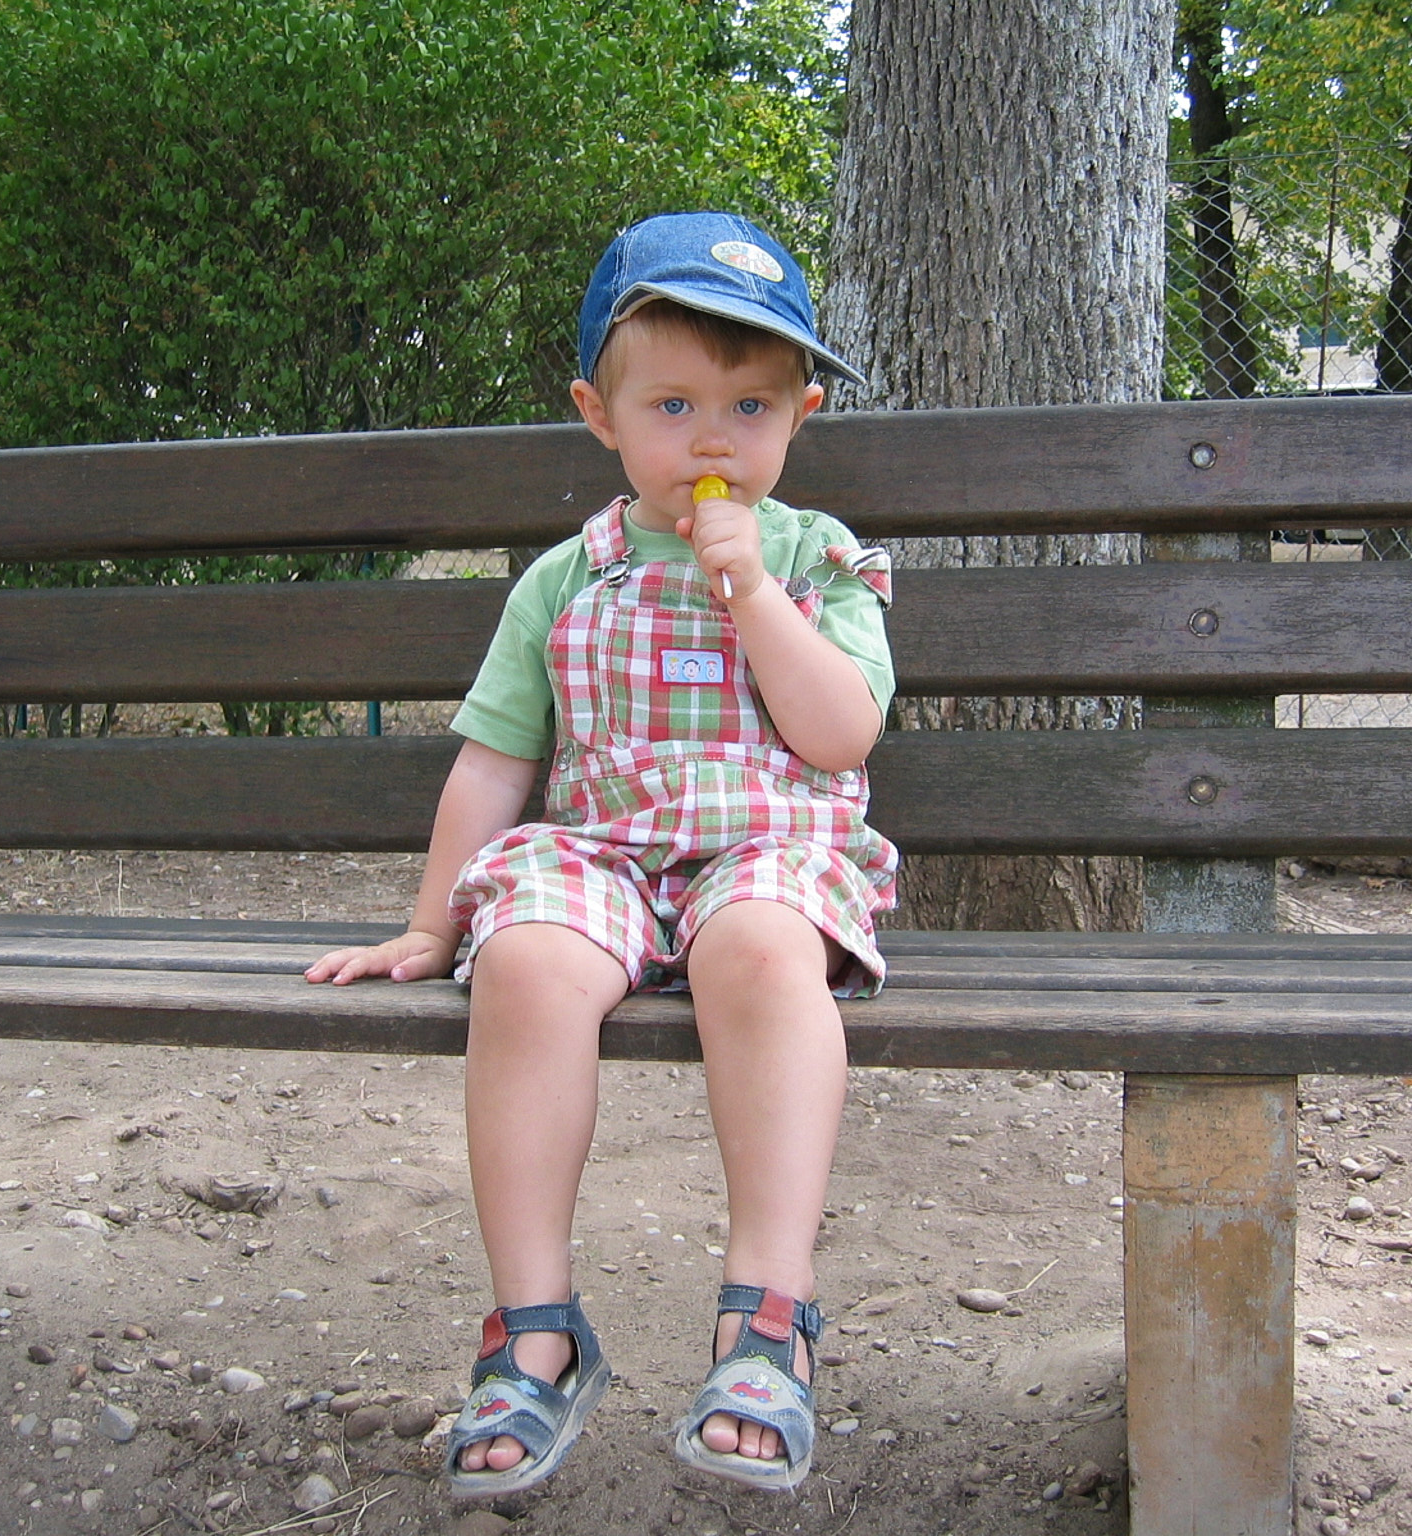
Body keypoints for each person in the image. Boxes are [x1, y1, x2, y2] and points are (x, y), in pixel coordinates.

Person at [305, 211, 898, 1496]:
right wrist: (431, 923)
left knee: (759, 950)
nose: (711, 441)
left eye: (749, 408)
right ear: (600, 415)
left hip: (765, 851)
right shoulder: (566, 579)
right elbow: (494, 763)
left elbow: (840, 732)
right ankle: (535, 1332)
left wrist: (751, 593)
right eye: (673, 406)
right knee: (521, 962)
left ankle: (767, 1319)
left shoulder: (821, 561)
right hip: (604, 855)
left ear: (798, 416)